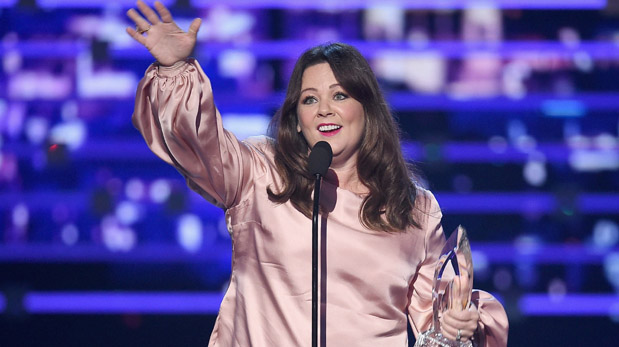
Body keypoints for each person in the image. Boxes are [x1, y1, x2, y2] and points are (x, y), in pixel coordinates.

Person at [126, 1, 509, 346]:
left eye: (340, 95)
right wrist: (175, 68)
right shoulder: (261, 174)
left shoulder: (414, 210)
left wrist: (457, 327)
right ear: (297, 120)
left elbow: (434, 330)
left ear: (367, 110)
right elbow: (198, 143)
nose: (325, 109)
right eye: (310, 99)